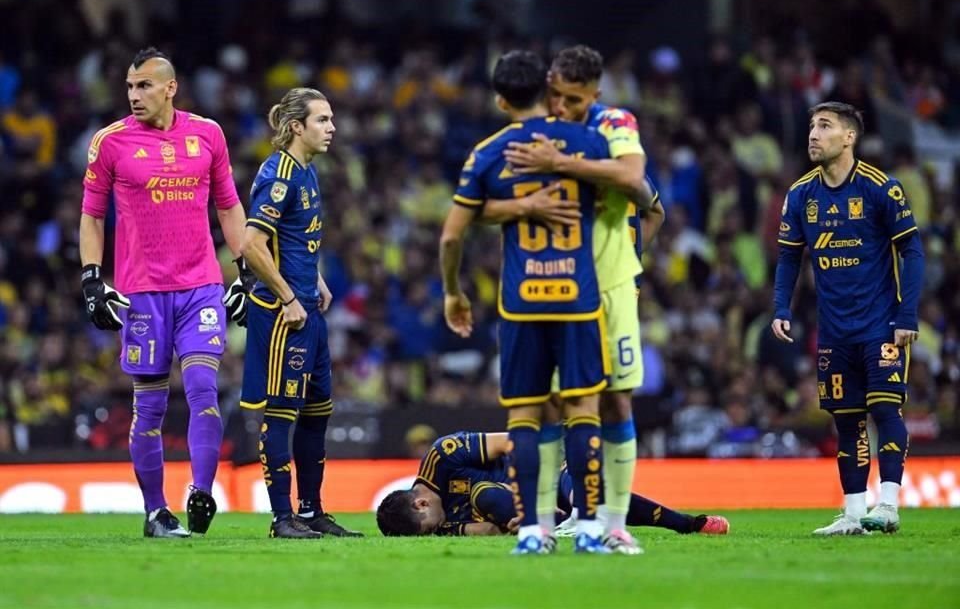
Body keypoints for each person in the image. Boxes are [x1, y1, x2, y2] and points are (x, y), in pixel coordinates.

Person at [485, 45, 664, 554]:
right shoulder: (537, 128)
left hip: (609, 285)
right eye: (556, 95)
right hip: (556, 287)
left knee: (617, 399)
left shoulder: (614, 123)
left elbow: (638, 186)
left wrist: (629, 260)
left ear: (595, 94)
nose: (562, 106)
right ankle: (546, 522)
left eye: (573, 98)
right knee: (555, 404)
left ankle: (613, 523)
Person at [439, 50, 612, 554]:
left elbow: (452, 237)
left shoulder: (489, 153)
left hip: (522, 303)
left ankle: (533, 531)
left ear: (499, 99)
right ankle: (591, 529)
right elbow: (613, 200)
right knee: (583, 409)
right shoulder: (587, 142)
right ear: (549, 91)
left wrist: (454, 291)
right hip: (578, 298)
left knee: (524, 418)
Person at [79, 47, 248, 538]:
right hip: (142, 292)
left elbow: (229, 207)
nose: (134, 95)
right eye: (130, 87)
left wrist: (246, 271)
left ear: (170, 87)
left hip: (201, 286)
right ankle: (155, 512)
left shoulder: (208, 134)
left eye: (145, 86)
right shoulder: (109, 143)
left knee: (202, 389)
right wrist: (93, 278)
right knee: (149, 407)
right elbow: (91, 217)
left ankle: (201, 491)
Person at [773, 101, 924, 535]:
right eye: (811, 127)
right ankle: (854, 513)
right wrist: (781, 307)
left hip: (881, 324)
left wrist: (906, 314)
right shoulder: (801, 194)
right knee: (846, 420)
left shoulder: (881, 188)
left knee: (884, 408)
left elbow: (911, 252)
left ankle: (890, 505)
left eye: (824, 126)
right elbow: (788, 257)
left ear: (849, 136)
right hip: (834, 329)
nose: (813, 135)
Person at [238, 87, 361, 539]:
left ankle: (311, 512)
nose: (332, 128)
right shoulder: (280, 175)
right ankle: (281, 518)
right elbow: (251, 244)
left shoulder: (308, 172)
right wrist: (289, 297)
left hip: (309, 308)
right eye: (323, 120)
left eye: (331, 119)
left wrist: (316, 282)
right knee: (281, 414)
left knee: (316, 412)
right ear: (297, 127)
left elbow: (293, 239)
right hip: (283, 315)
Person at [375, 430, 729, 538]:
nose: (437, 531)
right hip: (518, 505)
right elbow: (485, 531)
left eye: (431, 526)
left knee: (574, 486)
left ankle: (684, 523)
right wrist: (512, 524)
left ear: (421, 504)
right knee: (489, 498)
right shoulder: (438, 529)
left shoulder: (445, 453)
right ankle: (578, 523)